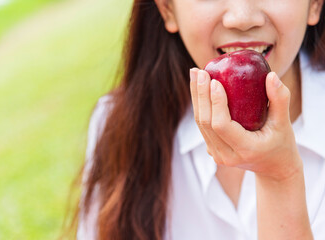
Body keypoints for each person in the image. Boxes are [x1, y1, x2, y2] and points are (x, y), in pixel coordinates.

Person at [77, 0, 325, 239]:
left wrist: (278, 176)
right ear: (167, 9)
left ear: (315, 3)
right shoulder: (117, 125)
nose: (242, 18)